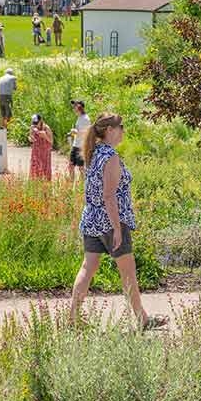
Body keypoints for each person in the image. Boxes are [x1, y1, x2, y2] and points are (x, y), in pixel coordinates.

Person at [70, 113, 168, 330]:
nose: (123, 130)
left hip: (92, 218)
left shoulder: (93, 152)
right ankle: (142, 319)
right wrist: (117, 228)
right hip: (111, 220)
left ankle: (73, 318)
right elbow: (109, 195)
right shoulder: (110, 156)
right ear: (110, 130)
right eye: (121, 126)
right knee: (127, 271)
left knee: (88, 267)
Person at [67, 100, 91, 182]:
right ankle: (70, 185)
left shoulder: (86, 119)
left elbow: (87, 133)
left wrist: (76, 132)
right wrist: (72, 133)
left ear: (80, 108)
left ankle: (83, 187)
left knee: (81, 168)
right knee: (70, 166)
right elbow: (78, 131)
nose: (74, 108)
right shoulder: (79, 118)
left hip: (81, 146)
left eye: (75, 107)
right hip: (75, 145)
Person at [29, 113, 54, 180]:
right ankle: (36, 182)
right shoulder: (32, 127)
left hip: (45, 151)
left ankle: (46, 182)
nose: (35, 125)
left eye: (37, 123)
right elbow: (30, 137)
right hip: (36, 151)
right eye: (34, 123)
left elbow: (51, 141)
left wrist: (45, 136)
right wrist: (31, 138)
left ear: (41, 121)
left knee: (45, 167)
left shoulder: (46, 128)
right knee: (35, 166)